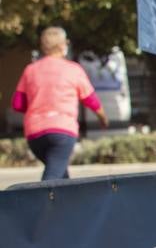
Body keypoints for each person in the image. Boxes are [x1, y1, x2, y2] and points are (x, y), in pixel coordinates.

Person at [10, 26, 108, 181]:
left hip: (35, 134)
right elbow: (91, 99)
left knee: (61, 176)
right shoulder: (73, 70)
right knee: (52, 178)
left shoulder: (30, 70)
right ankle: (39, 204)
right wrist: (103, 118)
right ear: (63, 45)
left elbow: (18, 103)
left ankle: (69, 204)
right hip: (62, 132)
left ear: (43, 47)